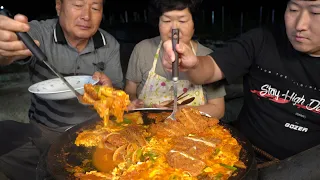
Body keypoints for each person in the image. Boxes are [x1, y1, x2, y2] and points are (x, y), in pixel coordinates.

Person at [161, 0, 320, 161]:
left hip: (306, 168)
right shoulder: (262, 40)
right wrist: (192, 64)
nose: (300, 25)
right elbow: (209, 69)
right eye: (293, 10)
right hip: (239, 152)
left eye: (315, 13)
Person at [0, 0, 123, 179]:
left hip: (93, 128)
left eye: (95, 8)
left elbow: (117, 93)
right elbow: (13, 48)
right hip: (46, 129)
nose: (86, 16)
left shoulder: (109, 44)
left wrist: (109, 93)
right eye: (78, 5)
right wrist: (5, 51)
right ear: (59, 6)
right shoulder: (38, 33)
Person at [125, 0, 226, 118]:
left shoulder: (207, 57)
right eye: (167, 20)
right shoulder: (142, 50)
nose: (174, 29)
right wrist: (133, 101)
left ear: (194, 24)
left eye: (182, 21)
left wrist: (178, 112)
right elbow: (129, 90)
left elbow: (218, 109)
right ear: (158, 23)